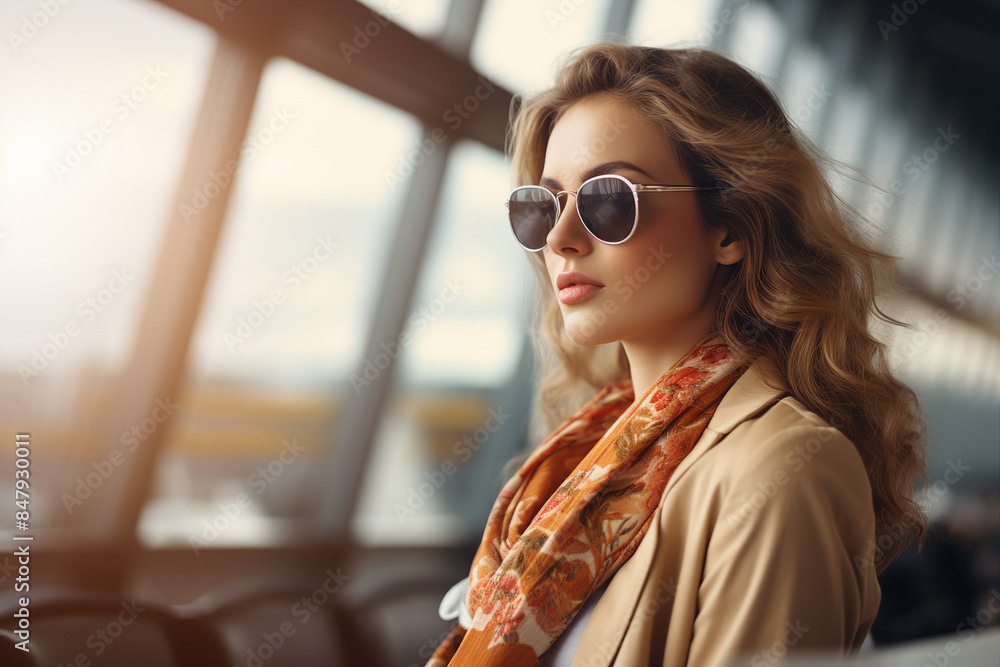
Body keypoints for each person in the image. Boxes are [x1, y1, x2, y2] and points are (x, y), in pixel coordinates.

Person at [427, 42, 929, 667]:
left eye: (608, 200)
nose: (559, 239)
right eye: (544, 205)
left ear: (731, 228)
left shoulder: (784, 466)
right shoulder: (582, 459)